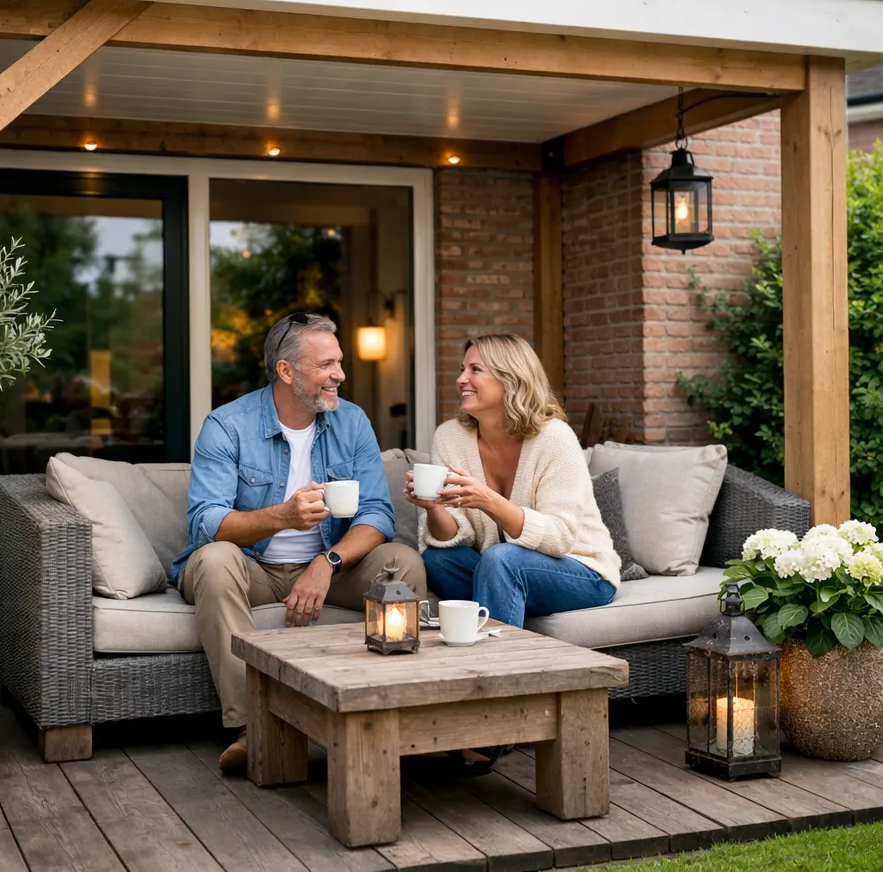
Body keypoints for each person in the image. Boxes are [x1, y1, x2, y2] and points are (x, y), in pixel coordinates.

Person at [174, 312, 426, 775]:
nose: (340, 375)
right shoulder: (227, 425)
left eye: (340, 362)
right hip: (252, 570)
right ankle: (254, 727)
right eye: (326, 364)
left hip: (329, 570)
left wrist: (327, 562)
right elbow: (206, 522)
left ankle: (391, 712)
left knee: (402, 561)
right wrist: (283, 517)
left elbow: (377, 514)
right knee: (212, 560)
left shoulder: (352, 422)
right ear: (286, 371)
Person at [405, 332, 619, 771]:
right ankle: (506, 608)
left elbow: (559, 537)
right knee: (437, 559)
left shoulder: (554, 438)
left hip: (579, 571)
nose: (461, 379)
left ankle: (491, 719)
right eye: (462, 369)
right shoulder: (451, 436)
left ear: (510, 379)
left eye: (475, 370)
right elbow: (454, 537)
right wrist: (433, 508)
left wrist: (489, 501)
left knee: (501, 562)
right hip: (502, 569)